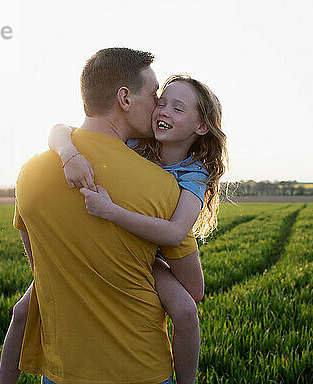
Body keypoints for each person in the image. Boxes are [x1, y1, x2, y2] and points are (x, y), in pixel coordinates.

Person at [0, 47, 203, 384]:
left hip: (62, 374)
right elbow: (192, 290)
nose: (157, 107)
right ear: (125, 98)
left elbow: (42, 268)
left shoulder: (29, 175)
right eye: (154, 95)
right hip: (142, 373)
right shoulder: (164, 187)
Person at [48, 73, 227, 383]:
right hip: (115, 246)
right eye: (161, 103)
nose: (163, 112)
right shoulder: (135, 144)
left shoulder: (194, 174)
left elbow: (174, 233)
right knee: (23, 310)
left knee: (186, 308)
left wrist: (112, 212)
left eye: (177, 108)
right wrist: (69, 154)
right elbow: (59, 130)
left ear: (201, 127)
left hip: (153, 253)